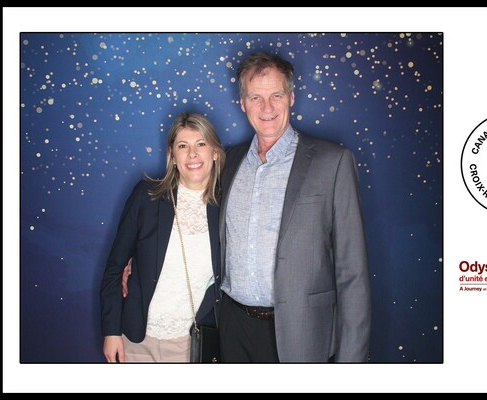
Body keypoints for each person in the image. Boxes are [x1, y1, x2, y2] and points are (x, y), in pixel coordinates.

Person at [219, 51, 371, 362]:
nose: (267, 108)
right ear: (243, 103)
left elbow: (352, 272)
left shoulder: (333, 162)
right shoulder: (227, 162)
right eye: (256, 97)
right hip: (233, 330)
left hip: (302, 334)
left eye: (276, 95)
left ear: (291, 97)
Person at [100, 112, 225, 362]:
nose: (192, 154)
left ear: (215, 152)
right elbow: (114, 267)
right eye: (183, 146)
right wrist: (111, 331)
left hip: (190, 343)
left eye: (201, 144)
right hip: (136, 340)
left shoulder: (228, 204)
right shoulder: (147, 197)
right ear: (173, 155)